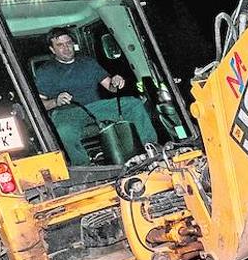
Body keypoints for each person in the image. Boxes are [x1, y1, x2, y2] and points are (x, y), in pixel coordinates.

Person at [34, 26, 159, 165]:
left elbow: (110, 87)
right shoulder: (45, 72)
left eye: (68, 43)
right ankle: (84, 168)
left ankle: (150, 148)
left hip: (96, 107)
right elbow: (39, 106)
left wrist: (116, 82)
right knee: (64, 131)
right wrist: (56, 102)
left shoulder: (88, 63)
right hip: (67, 113)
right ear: (52, 50)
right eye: (60, 45)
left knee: (133, 104)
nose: (66, 48)